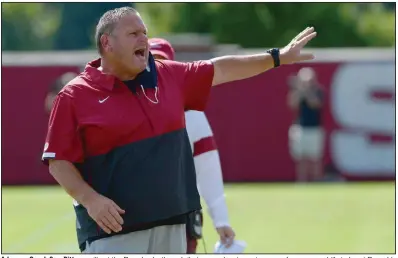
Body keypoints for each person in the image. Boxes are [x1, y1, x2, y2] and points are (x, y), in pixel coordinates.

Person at [41, 6, 317, 254]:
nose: (143, 39)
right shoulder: (74, 95)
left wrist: (277, 57)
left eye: (144, 32)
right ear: (107, 43)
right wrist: (91, 200)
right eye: (133, 33)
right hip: (113, 234)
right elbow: (58, 161)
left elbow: (221, 69)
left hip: (173, 228)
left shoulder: (168, 75)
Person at [149, 38, 235, 253]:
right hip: (138, 219)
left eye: (162, 63)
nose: (156, 69)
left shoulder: (192, 113)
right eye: (152, 62)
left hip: (181, 216)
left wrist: (221, 219)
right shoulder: (125, 106)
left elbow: (208, 168)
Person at [287, 67, 324, 182]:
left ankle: (317, 181)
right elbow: (292, 104)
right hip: (300, 128)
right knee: (301, 158)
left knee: (315, 158)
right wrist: (298, 89)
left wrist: (306, 90)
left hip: (315, 128)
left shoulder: (318, 91)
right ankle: (302, 182)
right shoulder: (299, 92)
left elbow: (315, 104)